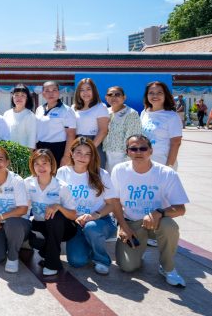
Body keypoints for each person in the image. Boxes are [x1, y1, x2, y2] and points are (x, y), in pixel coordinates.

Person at [112, 134, 189, 287]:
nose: (138, 152)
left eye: (143, 148)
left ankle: (168, 267)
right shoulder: (119, 170)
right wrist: (123, 226)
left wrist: (158, 212)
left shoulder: (166, 173)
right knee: (127, 267)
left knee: (169, 226)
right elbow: (114, 202)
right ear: (127, 152)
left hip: (157, 222)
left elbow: (181, 209)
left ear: (151, 151)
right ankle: (139, 250)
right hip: (132, 223)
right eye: (133, 149)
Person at [56, 137, 118, 275]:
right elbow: (58, 200)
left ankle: (102, 260)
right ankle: (89, 244)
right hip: (75, 222)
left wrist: (94, 215)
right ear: (71, 153)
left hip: (99, 220)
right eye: (78, 152)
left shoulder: (101, 174)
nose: (82, 157)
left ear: (92, 156)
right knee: (76, 261)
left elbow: (111, 205)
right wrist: (72, 217)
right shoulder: (63, 172)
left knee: (91, 228)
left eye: (87, 154)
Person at [24, 149, 77, 276]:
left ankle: (52, 263)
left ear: (52, 164)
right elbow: (24, 209)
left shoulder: (62, 186)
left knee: (55, 216)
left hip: (62, 228)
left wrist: (58, 207)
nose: (41, 167)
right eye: (37, 164)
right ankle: (46, 251)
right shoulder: (27, 183)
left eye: (45, 163)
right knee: (32, 238)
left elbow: (73, 215)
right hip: (40, 224)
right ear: (32, 166)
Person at [0, 146, 30, 273]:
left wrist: (0, 217)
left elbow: (23, 209)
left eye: (0, 159)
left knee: (12, 223)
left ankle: (13, 257)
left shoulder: (17, 181)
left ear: (7, 162)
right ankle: (9, 242)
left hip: (18, 224)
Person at [140, 81, 182, 169]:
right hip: (143, 163)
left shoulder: (172, 116)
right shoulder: (144, 113)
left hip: (162, 163)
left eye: (159, 93)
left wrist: (169, 166)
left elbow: (176, 143)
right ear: (147, 96)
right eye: (151, 93)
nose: (155, 96)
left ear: (165, 95)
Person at [35, 81, 76, 167]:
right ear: (43, 93)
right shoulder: (39, 109)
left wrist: (66, 156)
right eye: (47, 90)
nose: (51, 93)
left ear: (59, 92)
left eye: (54, 90)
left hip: (58, 148)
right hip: (41, 148)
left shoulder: (66, 110)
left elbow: (71, 134)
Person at [103, 86, 142, 173]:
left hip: (121, 157)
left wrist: (128, 161)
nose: (113, 97)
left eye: (117, 94)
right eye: (110, 95)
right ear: (106, 98)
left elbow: (134, 141)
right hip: (105, 155)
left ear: (124, 97)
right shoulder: (105, 112)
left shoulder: (131, 114)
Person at [72, 78, 109, 165]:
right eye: (82, 90)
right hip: (77, 143)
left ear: (94, 91)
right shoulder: (74, 107)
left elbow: (103, 131)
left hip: (94, 144)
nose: (85, 93)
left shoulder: (100, 107)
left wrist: (89, 149)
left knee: (94, 172)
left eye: (88, 89)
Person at [3, 84, 37, 150]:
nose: (19, 98)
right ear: (12, 97)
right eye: (16, 95)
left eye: (23, 95)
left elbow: (32, 139)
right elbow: (4, 135)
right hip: (7, 152)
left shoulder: (30, 115)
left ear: (27, 98)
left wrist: (29, 154)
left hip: (23, 153)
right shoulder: (7, 114)